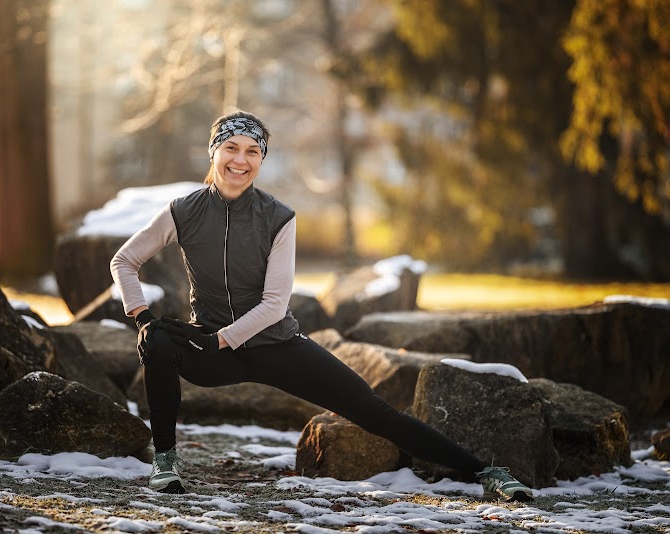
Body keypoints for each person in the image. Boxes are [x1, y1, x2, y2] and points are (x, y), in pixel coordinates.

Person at [110, 110, 533, 501]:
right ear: (214, 152)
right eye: (231, 148)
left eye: (253, 151)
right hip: (210, 348)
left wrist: (220, 341)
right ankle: (165, 461)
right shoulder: (183, 211)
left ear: (261, 160)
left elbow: (275, 305)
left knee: (372, 409)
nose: (241, 160)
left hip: (275, 345)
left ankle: (484, 473)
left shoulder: (278, 217)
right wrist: (143, 317)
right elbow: (124, 260)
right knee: (160, 342)